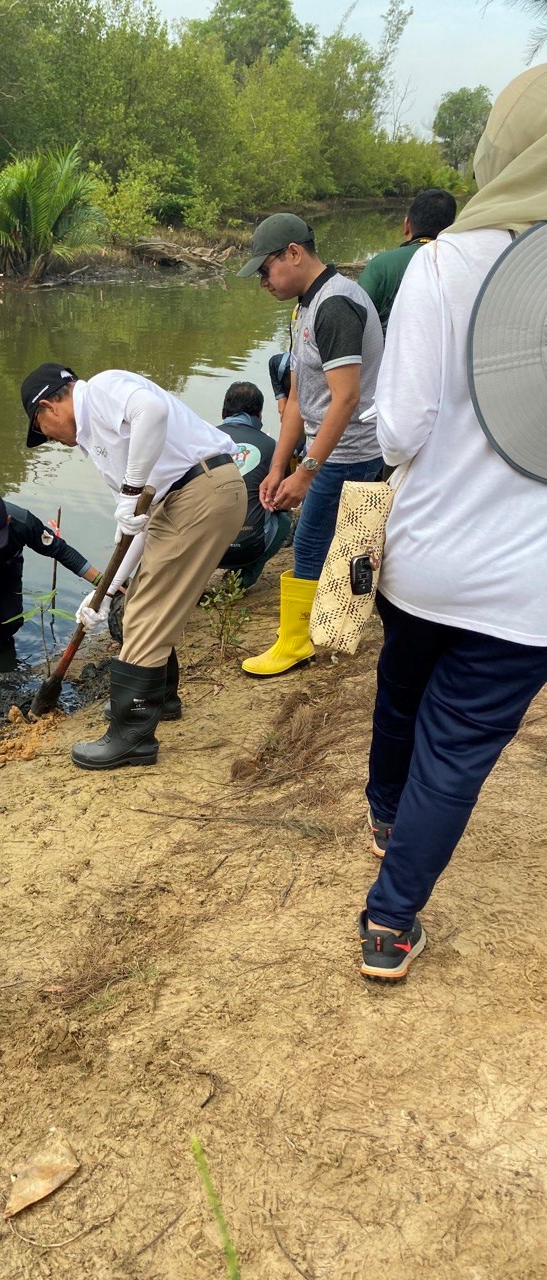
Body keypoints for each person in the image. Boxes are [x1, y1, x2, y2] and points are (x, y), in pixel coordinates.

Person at [357, 66, 547, 980]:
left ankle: (384, 815)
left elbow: (398, 431)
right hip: (529, 591)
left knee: (402, 693)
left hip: (426, 559)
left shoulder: (442, 262)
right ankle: (389, 925)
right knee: (459, 752)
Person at [21, 362, 246, 770]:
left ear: (48, 407)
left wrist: (130, 490)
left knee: (145, 614)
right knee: (137, 601)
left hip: (199, 491)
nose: (51, 440)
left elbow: (152, 412)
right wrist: (104, 591)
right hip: (181, 501)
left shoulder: (101, 390)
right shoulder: (96, 442)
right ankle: (160, 699)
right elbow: (136, 525)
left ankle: (131, 738)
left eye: (42, 431)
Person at [236, 213, 384, 677]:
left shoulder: (337, 305)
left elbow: (347, 397)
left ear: (294, 253)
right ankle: (320, 628)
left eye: (266, 269)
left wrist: (308, 471)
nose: (262, 280)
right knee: (330, 542)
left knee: (313, 542)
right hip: (328, 448)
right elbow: (299, 397)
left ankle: (296, 642)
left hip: (352, 450)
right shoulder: (306, 305)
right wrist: (280, 466)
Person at [0, 490, 102, 696]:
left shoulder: (22, 522)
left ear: (7, 521)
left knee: (10, 621)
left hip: (7, 567)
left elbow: (60, 550)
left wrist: (104, 583)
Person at [215, 381, 291, 590]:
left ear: (224, 411)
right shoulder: (272, 445)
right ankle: (243, 578)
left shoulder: (203, 439)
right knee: (283, 519)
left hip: (205, 549)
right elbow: (283, 501)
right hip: (247, 548)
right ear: (259, 414)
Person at [358, 189, 457, 333]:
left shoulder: (380, 265)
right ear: (452, 228)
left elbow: (357, 316)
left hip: (388, 352)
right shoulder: (461, 264)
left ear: (407, 224)